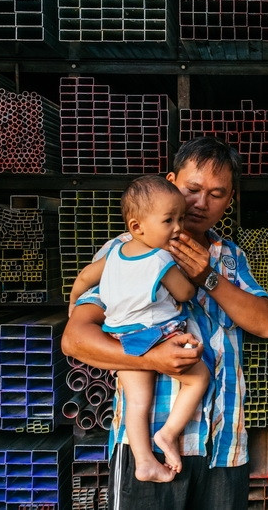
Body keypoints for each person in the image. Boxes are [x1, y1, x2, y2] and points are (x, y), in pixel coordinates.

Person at [61, 136, 268, 510]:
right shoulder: (124, 252)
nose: (200, 203)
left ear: (230, 201)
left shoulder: (230, 258)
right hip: (144, 446)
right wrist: (152, 360)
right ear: (172, 181)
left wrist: (207, 276)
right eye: (192, 189)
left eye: (216, 193)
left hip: (224, 445)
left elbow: (266, 324)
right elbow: (75, 339)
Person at [68, 175, 208, 484]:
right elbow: (184, 294)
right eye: (169, 220)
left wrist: (73, 301)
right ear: (137, 227)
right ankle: (169, 434)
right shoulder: (161, 258)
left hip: (123, 337)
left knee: (137, 402)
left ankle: (144, 461)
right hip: (157, 335)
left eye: (180, 219)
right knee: (198, 378)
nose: (177, 228)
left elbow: (82, 278)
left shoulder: (113, 256)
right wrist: (188, 273)